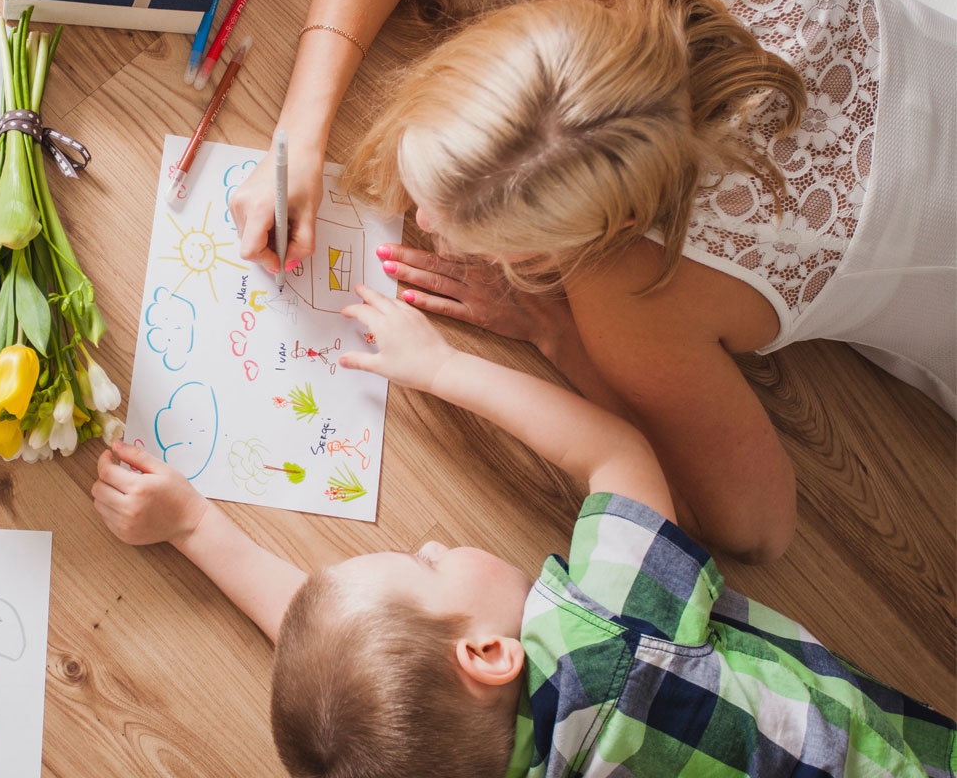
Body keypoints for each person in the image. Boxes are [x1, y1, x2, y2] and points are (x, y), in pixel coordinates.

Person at [228, 0, 956, 565]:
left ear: (578, 247)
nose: (419, 220)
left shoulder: (633, 288)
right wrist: (295, 138)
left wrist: (557, 335)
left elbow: (756, 529)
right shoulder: (648, 22)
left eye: (457, 231)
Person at [91, 284, 957, 778]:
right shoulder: (618, 646)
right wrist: (441, 365)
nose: (432, 543)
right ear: (489, 655)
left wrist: (196, 525)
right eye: (425, 567)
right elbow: (614, 453)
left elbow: (359, 690)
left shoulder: (435, 753)